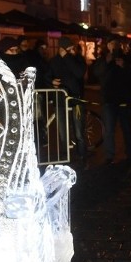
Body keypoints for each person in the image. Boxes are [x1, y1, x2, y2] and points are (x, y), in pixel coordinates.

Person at [93, 37, 131, 164]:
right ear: (108, 46)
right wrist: (106, 62)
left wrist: (124, 66)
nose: (114, 47)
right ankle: (109, 156)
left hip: (124, 99)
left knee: (127, 128)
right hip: (109, 100)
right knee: (109, 130)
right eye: (112, 44)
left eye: (116, 44)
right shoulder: (103, 59)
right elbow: (96, 72)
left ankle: (130, 153)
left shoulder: (126, 59)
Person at [46, 36, 88, 167]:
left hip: (75, 100)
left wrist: (67, 57)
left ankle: (82, 155)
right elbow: (47, 76)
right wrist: (51, 82)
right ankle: (66, 156)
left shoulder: (76, 59)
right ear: (62, 48)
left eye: (72, 47)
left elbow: (79, 73)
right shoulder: (53, 61)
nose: (72, 50)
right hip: (60, 101)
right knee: (63, 132)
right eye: (69, 48)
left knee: (79, 132)